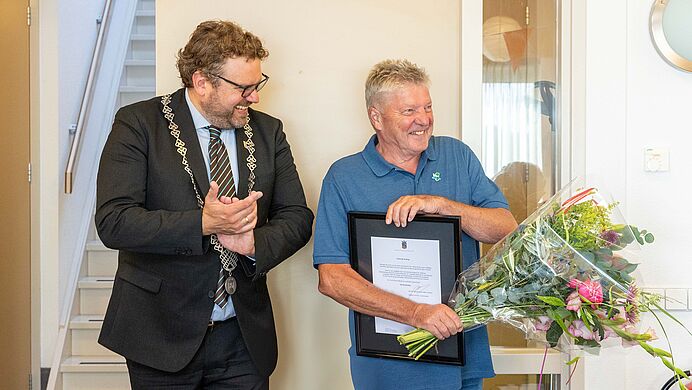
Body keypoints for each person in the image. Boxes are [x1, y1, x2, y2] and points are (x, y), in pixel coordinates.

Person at [95, 20, 313, 389]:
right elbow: (114, 221)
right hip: (160, 335)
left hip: (244, 339)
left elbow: (297, 217)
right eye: (243, 88)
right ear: (202, 82)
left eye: (257, 84)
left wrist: (253, 244)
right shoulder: (138, 124)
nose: (255, 97)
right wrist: (202, 223)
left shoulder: (268, 131)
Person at [313, 59, 517, 390]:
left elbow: (506, 228)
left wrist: (442, 205)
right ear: (376, 117)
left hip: (463, 355)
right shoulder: (344, 177)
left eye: (428, 107)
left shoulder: (456, 156)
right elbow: (332, 279)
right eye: (409, 111)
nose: (424, 120)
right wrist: (415, 313)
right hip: (388, 365)